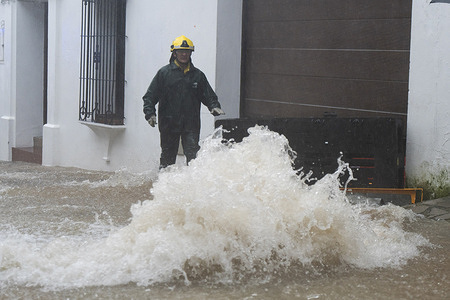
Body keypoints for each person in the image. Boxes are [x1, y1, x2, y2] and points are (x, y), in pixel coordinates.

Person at [143, 35, 225, 169]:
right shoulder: (164, 74)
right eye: (180, 51)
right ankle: (164, 187)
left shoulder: (197, 75)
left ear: (191, 53)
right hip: (169, 124)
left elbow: (208, 95)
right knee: (167, 158)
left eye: (187, 51)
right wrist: (149, 114)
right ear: (174, 53)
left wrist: (214, 106)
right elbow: (150, 97)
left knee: (194, 158)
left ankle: (193, 187)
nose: (184, 54)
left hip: (191, 124)